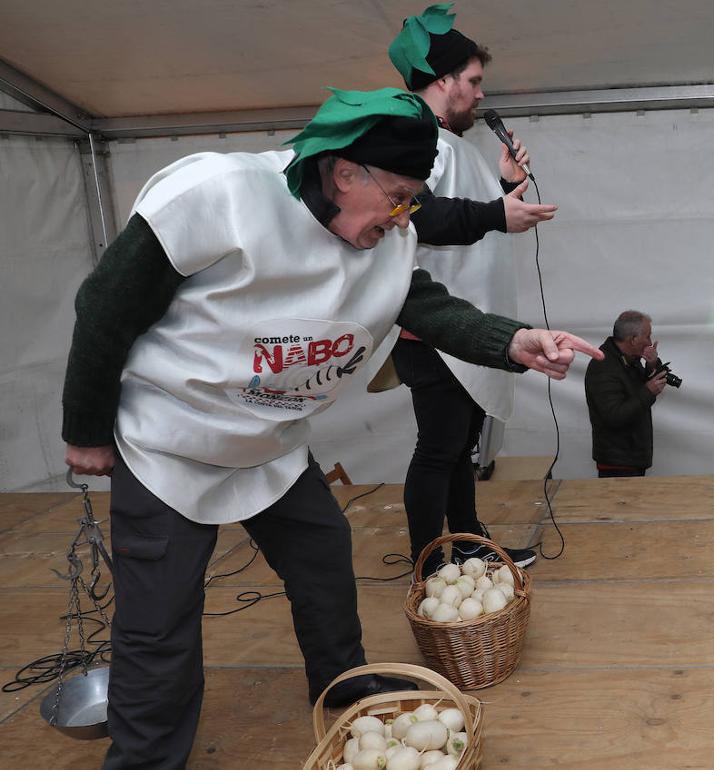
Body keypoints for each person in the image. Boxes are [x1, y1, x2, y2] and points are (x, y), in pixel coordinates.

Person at [60, 86, 602, 770]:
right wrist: (85, 428)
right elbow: (106, 307)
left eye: (414, 200)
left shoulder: (383, 238)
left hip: (269, 444)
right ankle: (144, 760)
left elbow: (424, 304)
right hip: (170, 440)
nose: (407, 216)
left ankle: (343, 685)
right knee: (159, 618)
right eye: (401, 195)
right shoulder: (222, 195)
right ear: (345, 173)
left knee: (323, 557)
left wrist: (514, 339)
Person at [386, 6, 544, 578]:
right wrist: (497, 213)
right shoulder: (412, 135)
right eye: (473, 82)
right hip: (432, 325)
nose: (480, 94)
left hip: (464, 324)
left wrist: (501, 184)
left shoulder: (454, 145)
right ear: (443, 80)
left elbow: (467, 217)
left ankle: (469, 542)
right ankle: (430, 564)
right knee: (440, 446)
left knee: (458, 445)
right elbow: (416, 215)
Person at [584, 311, 670, 477]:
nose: (650, 342)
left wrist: (652, 364)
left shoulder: (628, 358)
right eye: (647, 336)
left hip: (630, 458)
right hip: (617, 463)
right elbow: (614, 416)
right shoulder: (602, 366)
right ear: (633, 339)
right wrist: (648, 391)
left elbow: (639, 386)